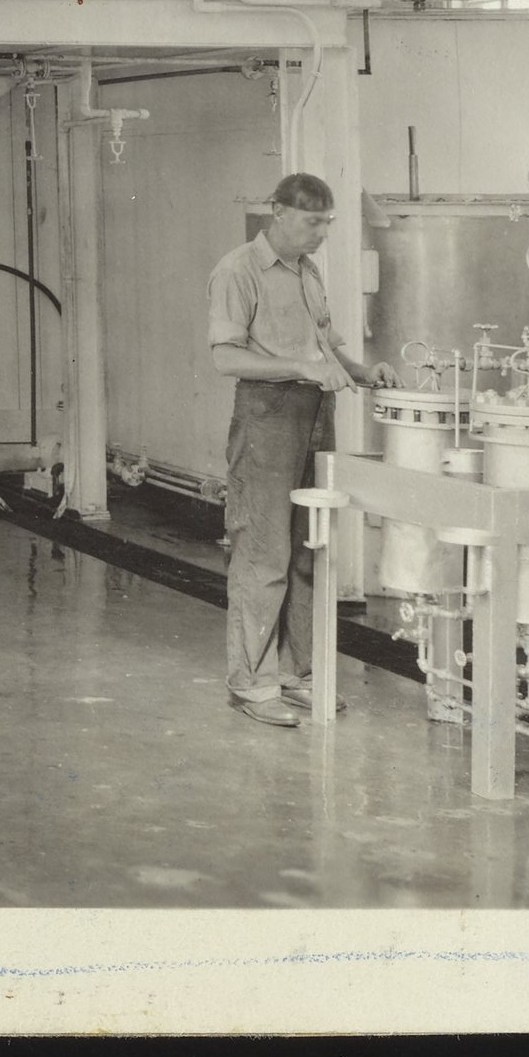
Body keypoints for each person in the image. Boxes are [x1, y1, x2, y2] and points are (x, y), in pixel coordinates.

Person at [206, 173, 376, 727]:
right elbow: (226, 358)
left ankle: (295, 674)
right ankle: (251, 685)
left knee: (308, 550)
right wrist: (302, 367)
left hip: (316, 414)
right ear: (278, 212)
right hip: (267, 416)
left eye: (327, 223)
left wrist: (364, 371)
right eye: (312, 222)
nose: (321, 233)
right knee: (263, 552)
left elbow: (325, 346)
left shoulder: (308, 269)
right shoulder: (238, 270)